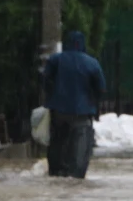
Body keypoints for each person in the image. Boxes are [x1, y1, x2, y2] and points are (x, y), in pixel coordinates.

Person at [43, 30, 105, 179]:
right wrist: (93, 104)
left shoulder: (55, 60)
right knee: (79, 152)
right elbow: (101, 88)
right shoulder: (92, 63)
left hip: (58, 112)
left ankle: (56, 173)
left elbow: (45, 80)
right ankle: (74, 178)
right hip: (82, 114)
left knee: (57, 145)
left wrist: (53, 96)